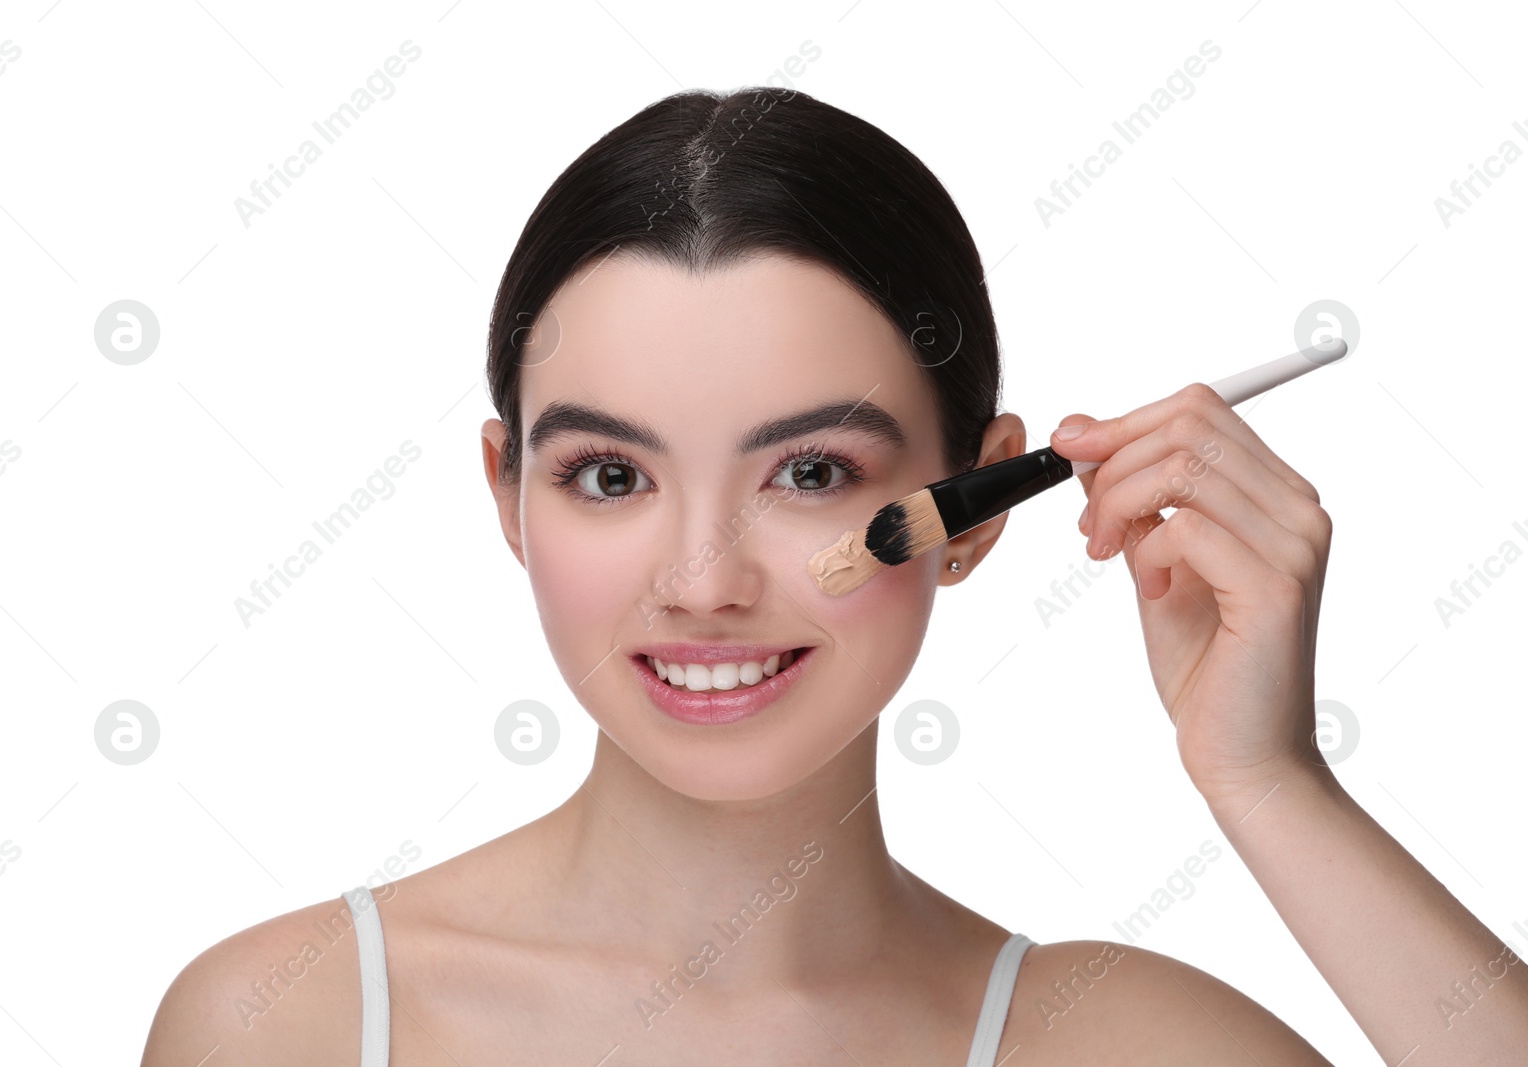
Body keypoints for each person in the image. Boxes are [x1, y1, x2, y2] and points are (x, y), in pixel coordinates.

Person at [141, 87, 1527, 1066]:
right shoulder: (291, 1024)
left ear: (978, 502)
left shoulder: (1139, 1047)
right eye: (611, 478)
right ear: (508, 491)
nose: (700, 581)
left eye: (809, 473)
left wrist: (1272, 781)